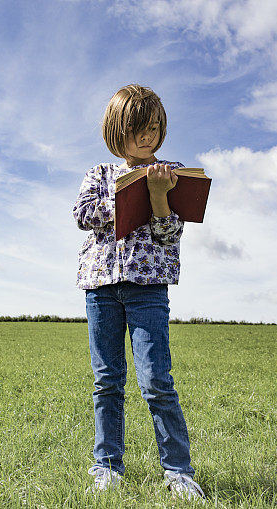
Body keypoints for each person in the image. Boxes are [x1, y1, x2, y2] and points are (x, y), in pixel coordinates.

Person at [73, 84, 205, 502]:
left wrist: (159, 197)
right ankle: (107, 465)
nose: (146, 137)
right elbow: (83, 216)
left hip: (148, 289)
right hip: (101, 287)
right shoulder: (98, 174)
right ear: (117, 131)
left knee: (156, 380)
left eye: (153, 128)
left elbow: (169, 235)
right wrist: (128, 195)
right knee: (107, 380)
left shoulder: (172, 172)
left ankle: (178, 471)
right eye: (136, 129)